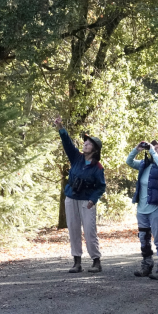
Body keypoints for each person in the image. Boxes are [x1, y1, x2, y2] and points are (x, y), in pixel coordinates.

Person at [53, 115, 105, 274]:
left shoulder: (98, 167)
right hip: (71, 199)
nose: (85, 144)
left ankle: (96, 261)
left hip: (86, 201)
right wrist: (61, 127)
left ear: (95, 149)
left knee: (89, 231)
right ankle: (77, 262)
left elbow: (101, 187)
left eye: (89, 143)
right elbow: (67, 144)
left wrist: (93, 199)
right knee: (73, 230)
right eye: (85, 142)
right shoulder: (76, 158)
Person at [125, 140, 158, 280]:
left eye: (157, 149)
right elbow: (129, 161)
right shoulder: (144, 165)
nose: (153, 150)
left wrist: (151, 150)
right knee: (143, 239)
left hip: (157, 208)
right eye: (153, 148)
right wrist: (137, 149)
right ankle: (147, 264)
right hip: (142, 209)